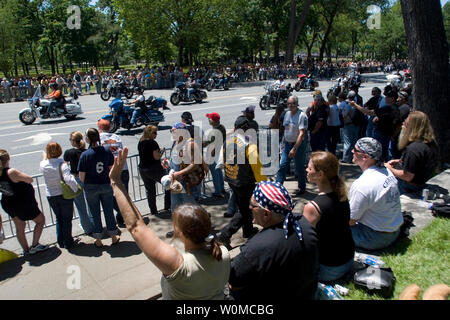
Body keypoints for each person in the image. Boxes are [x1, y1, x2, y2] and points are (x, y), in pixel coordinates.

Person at [110, 147, 230, 299]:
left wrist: (116, 182)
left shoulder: (178, 265)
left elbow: (136, 227)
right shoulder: (223, 253)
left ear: (180, 232)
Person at [229, 181, 319, 301]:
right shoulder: (304, 223)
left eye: (253, 205)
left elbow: (234, 283)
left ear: (266, 214)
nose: (249, 207)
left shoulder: (256, 247)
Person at [302, 152, 355, 283]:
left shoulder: (312, 207)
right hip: (348, 260)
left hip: (329, 269)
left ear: (320, 174)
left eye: (309, 168)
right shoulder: (341, 195)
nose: (306, 170)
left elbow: (303, 243)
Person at [215, 116, 267, 248]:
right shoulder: (249, 143)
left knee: (243, 206)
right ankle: (225, 235)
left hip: (232, 179)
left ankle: (248, 231)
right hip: (245, 182)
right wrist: (263, 182)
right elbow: (256, 165)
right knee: (245, 210)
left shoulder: (228, 141)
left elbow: (220, 162)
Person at [349, 138, 403, 251]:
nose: (352, 151)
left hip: (374, 238)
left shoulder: (362, 185)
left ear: (365, 157)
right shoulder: (386, 171)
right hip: (393, 230)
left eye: (355, 150)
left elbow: (350, 220)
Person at [0, 149, 48, 255]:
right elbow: (29, 179)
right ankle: (35, 245)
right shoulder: (11, 172)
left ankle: (26, 250)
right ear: (8, 159)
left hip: (9, 202)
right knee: (40, 220)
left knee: (20, 227)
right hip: (23, 203)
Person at [78, 128, 119, 247]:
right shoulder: (106, 151)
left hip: (91, 187)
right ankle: (113, 235)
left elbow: (81, 176)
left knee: (94, 212)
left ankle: (98, 239)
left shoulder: (85, 155)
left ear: (88, 139)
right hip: (105, 184)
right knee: (108, 210)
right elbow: (111, 168)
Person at [385, 111, 439, 195]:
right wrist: (402, 160)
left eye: (406, 123)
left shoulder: (413, 149)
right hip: (421, 183)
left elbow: (408, 176)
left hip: (408, 187)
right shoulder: (431, 143)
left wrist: (390, 168)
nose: (403, 124)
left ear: (413, 127)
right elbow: (420, 162)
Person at [40, 143, 79, 250]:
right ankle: (68, 241)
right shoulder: (62, 164)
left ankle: (60, 240)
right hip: (63, 194)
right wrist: (76, 188)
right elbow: (68, 179)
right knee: (67, 219)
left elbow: (44, 160)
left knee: (59, 218)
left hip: (51, 195)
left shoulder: (43, 164)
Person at [97, 119, 130, 226]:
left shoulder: (99, 138)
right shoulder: (116, 137)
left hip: (111, 170)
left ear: (100, 128)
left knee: (112, 195)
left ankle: (122, 214)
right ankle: (122, 218)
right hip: (123, 168)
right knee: (124, 194)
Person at [275, 95, 309, 196]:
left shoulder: (302, 116)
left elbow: (302, 133)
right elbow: (286, 129)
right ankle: (277, 187)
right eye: (289, 103)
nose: (290, 105)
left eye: (293, 103)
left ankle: (301, 187)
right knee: (283, 165)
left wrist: (294, 148)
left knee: (299, 167)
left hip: (298, 145)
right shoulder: (286, 114)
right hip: (287, 144)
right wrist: (284, 142)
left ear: (297, 104)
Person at [63, 132, 94, 234]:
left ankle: (87, 227)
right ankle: (94, 224)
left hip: (76, 178)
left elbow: (65, 164)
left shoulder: (69, 153)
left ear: (73, 141)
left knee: (80, 205)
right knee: (91, 203)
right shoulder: (86, 151)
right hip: (88, 177)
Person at [138, 125, 171, 215]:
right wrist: (162, 152)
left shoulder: (141, 141)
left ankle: (153, 211)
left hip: (143, 168)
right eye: (154, 133)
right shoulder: (152, 143)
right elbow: (156, 157)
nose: (156, 134)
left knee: (150, 191)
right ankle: (168, 205)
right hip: (153, 168)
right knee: (168, 183)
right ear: (149, 133)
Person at [205, 112, 226, 198]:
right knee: (219, 172)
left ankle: (218, 191)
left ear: (213, 120)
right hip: (220, 152)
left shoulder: (213, 132)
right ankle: (221, 188)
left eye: (209, 118)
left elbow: (212, 145)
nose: (208, 120)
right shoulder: (222, 127)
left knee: (215, 173)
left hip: (214, 154)